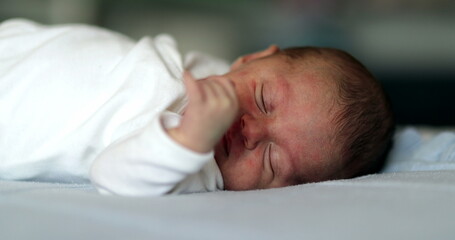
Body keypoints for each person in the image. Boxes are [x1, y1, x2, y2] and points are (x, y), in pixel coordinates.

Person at [0, 19, 394, 196]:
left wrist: (189, 140)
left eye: (273, 162)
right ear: (251, 58)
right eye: (262, 99)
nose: (251, 131)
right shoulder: (211, 70)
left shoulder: (196, 162)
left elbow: (113, 175)